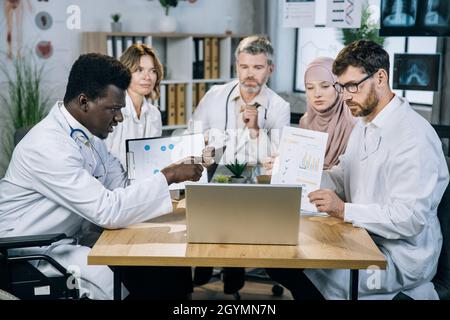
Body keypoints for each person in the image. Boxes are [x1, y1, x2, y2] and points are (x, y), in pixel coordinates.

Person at [0, 53, 204, 300]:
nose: (119, 118)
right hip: (30, 251)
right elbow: (107, 210)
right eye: (114, 109)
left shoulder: (89, 137)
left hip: (66, 237)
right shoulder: (48, 144)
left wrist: (172, 172)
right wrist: (169, 175)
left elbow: (121, 186)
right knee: (129, 276)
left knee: (167, 268)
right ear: (84, 102)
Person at [266, 40, 449, 300]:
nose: (346, 96)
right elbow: (342, 177)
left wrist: (342, 209)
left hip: (398, 256)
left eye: (353, 86)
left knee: (300, 268)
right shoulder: (365, 123)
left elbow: (409, 218)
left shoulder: (413, 137)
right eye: (341, 87)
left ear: (381, 77)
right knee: (280, 261)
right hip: (363, 238)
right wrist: (294, 168)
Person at [189, 35, 291, 295]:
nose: (250, 75)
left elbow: (280, 159)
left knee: (236, 228)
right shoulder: (215, 95)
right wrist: (203, 146)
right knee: (207, 220)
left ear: (270, 69)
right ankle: (202, 270)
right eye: (244, 67)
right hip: (214, 175)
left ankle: (233, 277)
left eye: (258, 68)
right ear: (236, 67)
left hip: (255, 182)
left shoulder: (279, 107)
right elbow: (192, 132)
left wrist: (256, 130)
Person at [105, 44, 164, 169]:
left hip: (143, 182)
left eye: (152, 71)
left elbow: (153, 158)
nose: (147, 77)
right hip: (112, 184)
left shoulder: (154, 114)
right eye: (139, 70)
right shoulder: (111, 111)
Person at [300, 57, 355, 169]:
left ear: (338, 87)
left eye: (325, 86)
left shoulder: (353, 122)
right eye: (310, 88)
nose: (317, 94)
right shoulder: (305, 122)